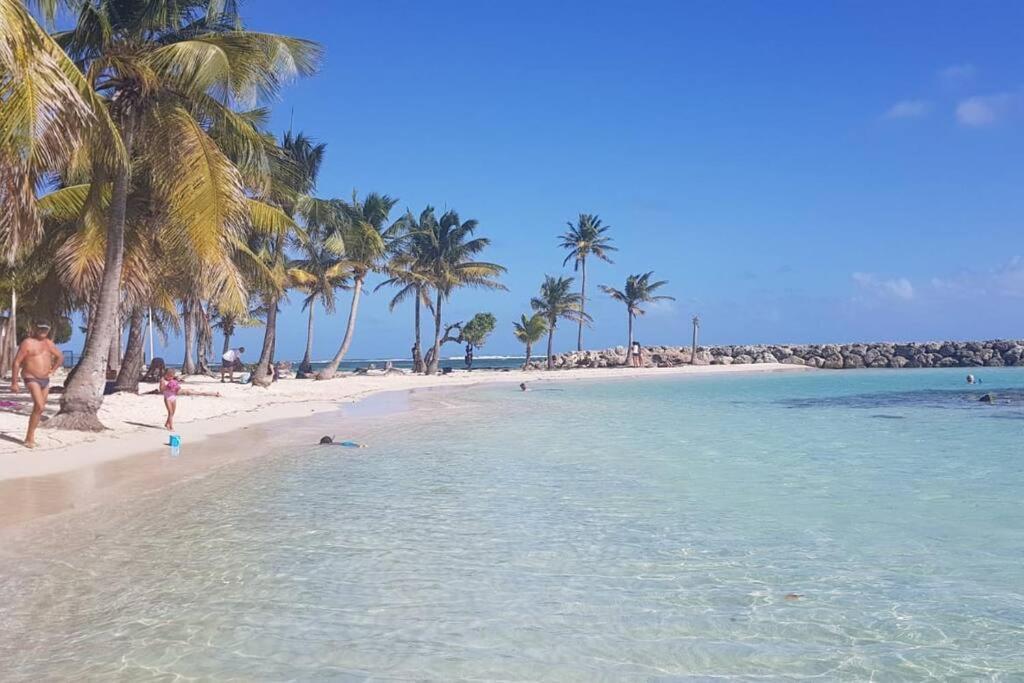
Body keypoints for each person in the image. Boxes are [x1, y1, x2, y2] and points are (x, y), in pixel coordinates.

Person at [10, 322, 63, 449]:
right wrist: (14, 382)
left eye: (45, 329)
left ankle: (30, 434)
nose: (43, 331)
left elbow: (60, 356)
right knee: (39, 405)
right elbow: (17, 362)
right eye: (40, 329)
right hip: (30, 377)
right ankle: (29, 437)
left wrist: (53, 369)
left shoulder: (48, 343)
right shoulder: (27, 342)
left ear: (48, 330)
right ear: (35, 329)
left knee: (40, 408)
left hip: (45, 379)